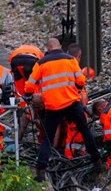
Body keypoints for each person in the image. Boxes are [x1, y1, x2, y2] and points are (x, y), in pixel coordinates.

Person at [25, 37, 102, 181]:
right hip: (72, 103)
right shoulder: (70, 59)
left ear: (47, 48)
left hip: (53, 106)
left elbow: (29, 86)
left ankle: (41, 171)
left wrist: (28, 96)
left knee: (47, 138)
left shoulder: (41, 63)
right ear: (59, 46)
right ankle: (97, 162)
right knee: (85, 131)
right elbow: (80, 80)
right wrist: (77, 89)